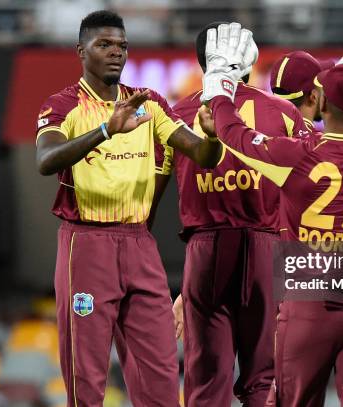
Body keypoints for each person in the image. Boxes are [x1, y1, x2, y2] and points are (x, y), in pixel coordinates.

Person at [198, 24, 343, 406]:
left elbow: (233, 133)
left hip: (309, 307)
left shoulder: (295, 157)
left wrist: (220, 82)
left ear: (322, 105)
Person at [35, 10, 222, 407]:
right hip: (86, 244)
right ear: (81, 51)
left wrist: (213, 135)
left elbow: (203, 156)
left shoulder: (149, 103)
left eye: (121, 46)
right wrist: (105, 130)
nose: (116, 53)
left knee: (161, 371)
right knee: (86, 378)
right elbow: (45, 160)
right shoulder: (63, 105)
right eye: (104, 45)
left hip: (140, 244)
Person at [160, 22, 310, 407]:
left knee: (206, 379)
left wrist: (188, 287)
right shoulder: (285, 112)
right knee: (265, 378)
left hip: (205, 252)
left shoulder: (175, 114)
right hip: (268, 248)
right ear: (248, 59)